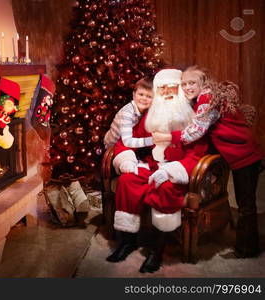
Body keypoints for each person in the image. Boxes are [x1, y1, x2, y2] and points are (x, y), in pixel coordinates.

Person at [152, 65, 264, 258]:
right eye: (184, 83)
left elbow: (196, 130)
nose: (187, 87)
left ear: (203, 83)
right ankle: (247, 241)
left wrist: (168, 137)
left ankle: (247, 248)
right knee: (245, 202)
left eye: (192, 83)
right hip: (240, 155)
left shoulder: (207, 99)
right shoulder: (205, 98)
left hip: (245, 156)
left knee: (246, 204)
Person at [107, 69, 209, 273]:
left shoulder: (192, 120)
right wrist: (126, 160)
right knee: (127, 180)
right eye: (161, 89)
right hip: (151, 166)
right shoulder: (151, 116)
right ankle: (128, 241)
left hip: (177, 173)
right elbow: (125, 143)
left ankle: (157, 249)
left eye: (172, 88)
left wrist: (172, 171)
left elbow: (198, 155)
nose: (167, 93)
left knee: (165, 188)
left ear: (180, 90)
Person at [104, 78, 154, 151]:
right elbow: (127, 142)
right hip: (113, 146)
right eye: (141, 94)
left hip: (131, 141)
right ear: (134, 95)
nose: (144, 98)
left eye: (149, 96)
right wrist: (153, 140)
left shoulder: (148, 110)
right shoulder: (127, 113)